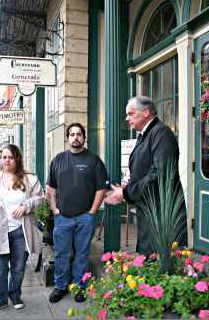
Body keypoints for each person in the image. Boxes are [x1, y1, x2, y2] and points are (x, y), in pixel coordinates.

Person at [105, 96, 187, 256]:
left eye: (131, 113)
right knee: (150, 264)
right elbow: (143, 170)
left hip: (162, 215)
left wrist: (126, 193)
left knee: (161, 268)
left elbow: (160, 173)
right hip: (151, 214)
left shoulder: (161, 133)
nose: (127, 118)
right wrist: (126, 188)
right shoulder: (146, 134)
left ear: (146, 112)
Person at [0, 144, 44, 315]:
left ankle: (15, 295)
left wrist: (26, 206)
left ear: (17, 159)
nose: (7, 160)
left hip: (21, 232)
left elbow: (41, 198)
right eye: (4, 157)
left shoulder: (29, 179)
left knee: (18, 269)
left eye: (11, 157)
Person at [46, 122, 109, 303]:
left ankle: (79, 286)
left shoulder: (93, 160)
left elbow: (101, 189)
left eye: (79, 134)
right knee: (61, 254)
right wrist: (55, 210)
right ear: (68, 138)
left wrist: (91, 213)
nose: (75, 137)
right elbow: (50, 189)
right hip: (62, 217)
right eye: (72, 134)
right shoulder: (58, 160)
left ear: (84, 137)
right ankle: (60, 286)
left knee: (82, 253)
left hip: (84, 217)